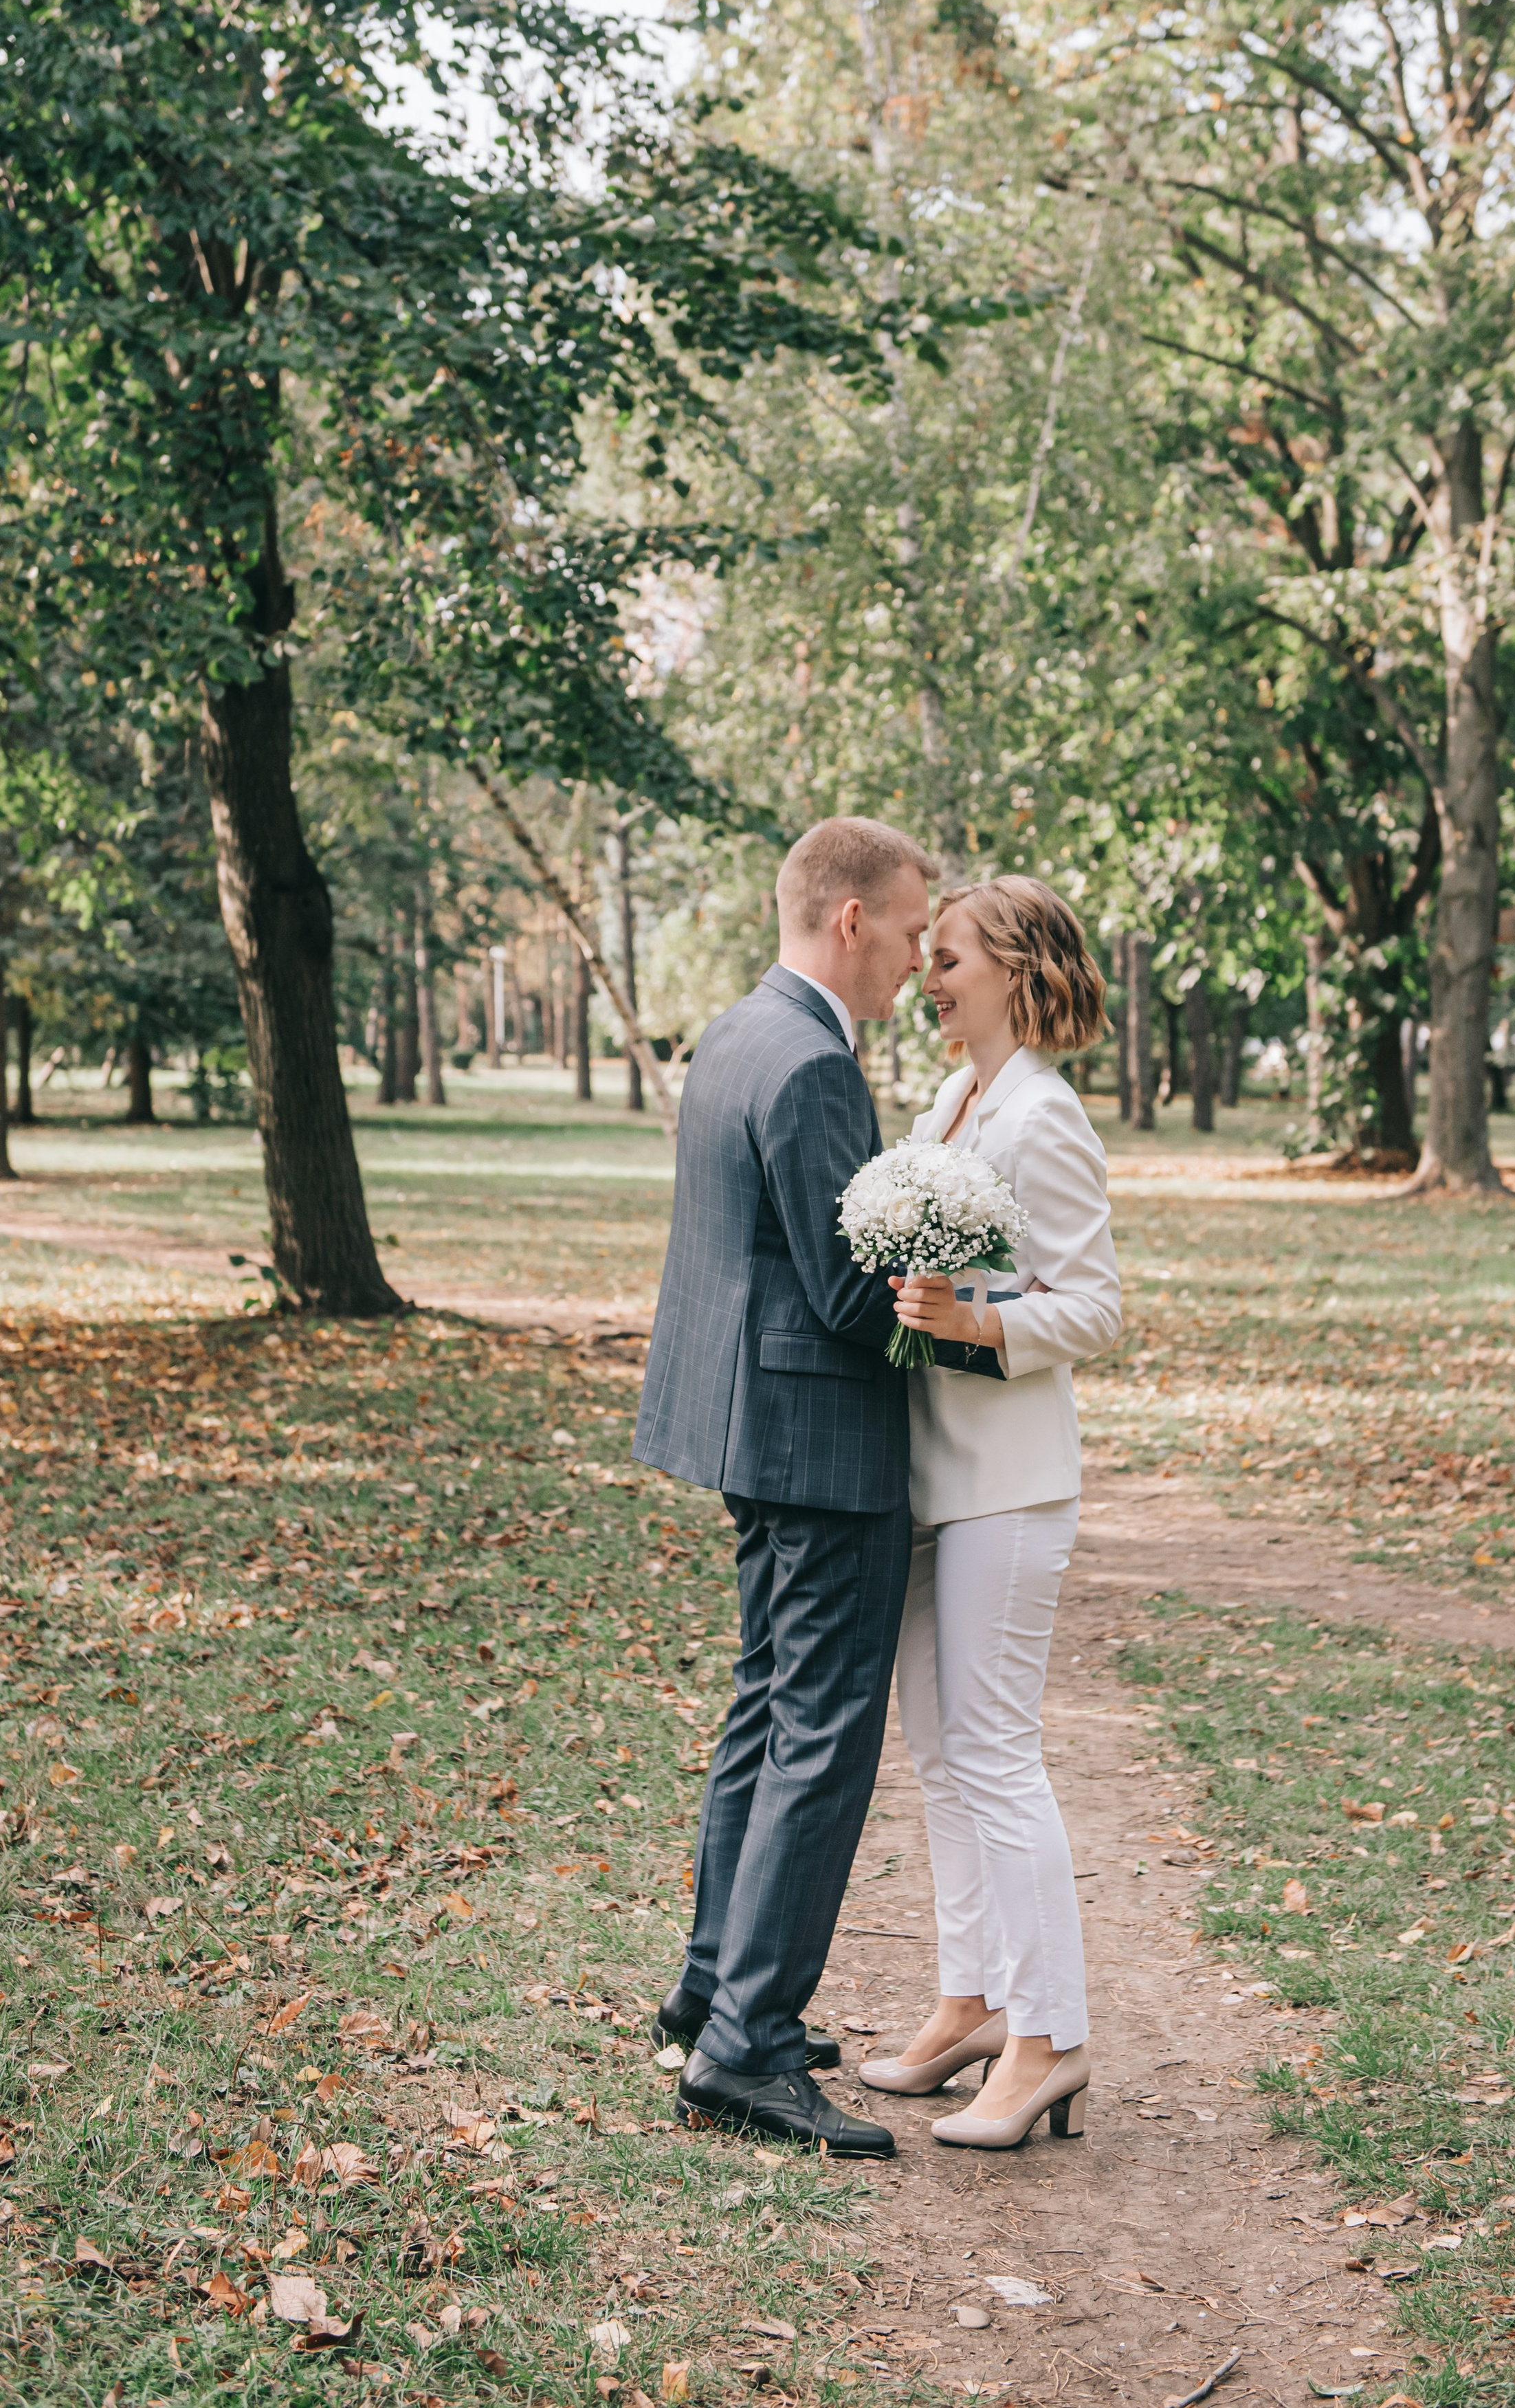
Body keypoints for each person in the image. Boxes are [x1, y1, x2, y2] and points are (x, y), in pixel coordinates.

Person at [632, 815, 934, 2157]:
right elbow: (845, 1290)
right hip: (817, 1449)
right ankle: (745, 2049)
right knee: (820, 1725)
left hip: (746, 1429)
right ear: (852, 920)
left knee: (764, 1704)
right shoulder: (812, 1060)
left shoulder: (735, 1029)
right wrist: (980, 1320)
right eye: (915, 931)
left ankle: (712, 1985)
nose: (921, 960)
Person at [857, 876, 1120, 2150]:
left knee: (999, 1754)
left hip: (1008, 1483)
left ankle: (1050, 2037)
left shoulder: (1044, 1120)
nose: (928, 974)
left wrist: (980, 1323)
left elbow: (1098, 1308)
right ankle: (970, 1998)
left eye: (948, 956)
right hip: (927, 1474)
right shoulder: (950, 1101)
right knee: (943, 1755)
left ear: (1013, 967)